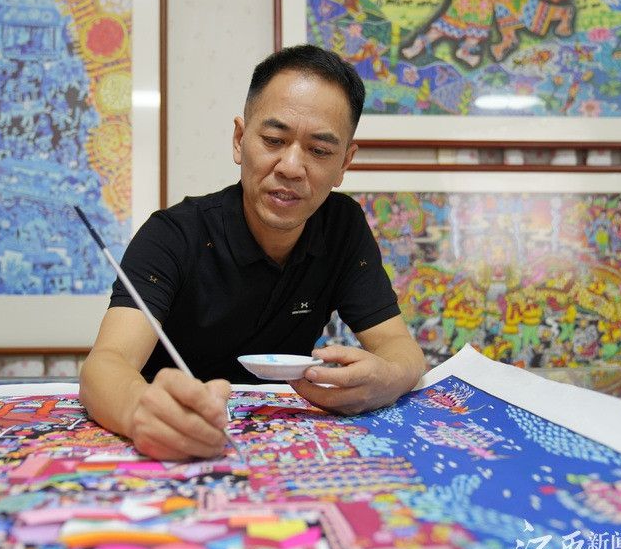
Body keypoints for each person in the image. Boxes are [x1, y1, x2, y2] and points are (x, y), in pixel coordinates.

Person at [79, 44, 425, 461]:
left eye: (319, 151)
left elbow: (398, 346)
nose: (291, 167)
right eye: (274, 140)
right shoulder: (173, 235)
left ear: (344, 163)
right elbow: (106, 364)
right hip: (172, 442)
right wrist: (141, 413)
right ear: (240, 140)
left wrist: (390, 375)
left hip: (286, 447)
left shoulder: (342, 226)